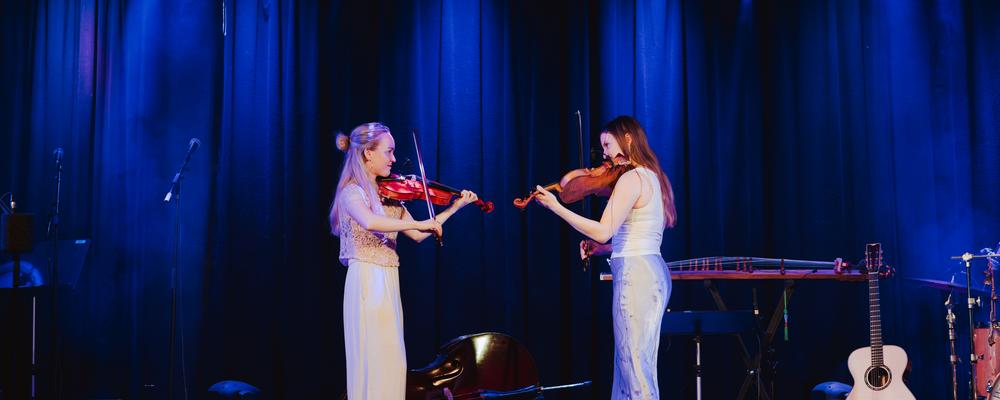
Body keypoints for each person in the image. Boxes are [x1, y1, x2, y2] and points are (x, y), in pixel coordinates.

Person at [329, 122, 479, 399]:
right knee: (372, 359)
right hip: (366, 281)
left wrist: (455, 207)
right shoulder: (353, 193)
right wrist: (424, 222)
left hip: (387, 280)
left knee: (392, 360)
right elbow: (371, 220)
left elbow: (419, 233)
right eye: (389, 152)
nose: (394, 159)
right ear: (367, 154)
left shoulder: (389, 196)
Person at [533, 115, 677, 399]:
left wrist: (555, 207)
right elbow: (639, 237)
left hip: (636, 277)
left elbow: (602, 230)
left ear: (627, 139)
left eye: (608, 145)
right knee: (637, 365)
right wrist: (604, 250)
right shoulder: (652, 176)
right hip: (651, 272)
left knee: (634, 368)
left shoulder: (631, 178)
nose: (606, 155)